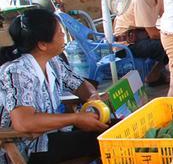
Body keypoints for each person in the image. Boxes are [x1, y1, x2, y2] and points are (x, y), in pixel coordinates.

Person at [0, 9, 108, 164]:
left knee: (110, 127)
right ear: (43, 44)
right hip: (26, 147)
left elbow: (80, 84)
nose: (64, 36)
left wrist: (92, 97)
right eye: (60, 33)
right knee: (105, 139)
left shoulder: (53, 62)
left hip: (50, 136)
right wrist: (75, 118)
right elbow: (24, 122)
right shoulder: (16, 71)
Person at [113, 0, 167, 84]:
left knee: (172, 41)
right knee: (168, 44)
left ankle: (156, 74)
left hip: (141, 38)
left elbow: (167, 16)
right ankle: (153, 76)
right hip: (126, 45)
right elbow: (153, 34)